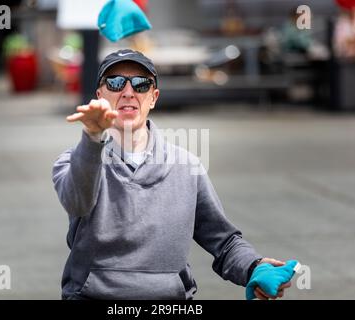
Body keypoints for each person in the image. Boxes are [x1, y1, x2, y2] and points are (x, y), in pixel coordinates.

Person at [52, 49, 292, 300]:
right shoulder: (72, 161)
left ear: (153, 98)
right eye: (115, 82)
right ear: (100, 96)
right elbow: (77, 201)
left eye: (141, 84)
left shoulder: (187, 166)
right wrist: (92, 137)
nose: (128, 92)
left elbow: (224, 241)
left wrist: (255, 267)